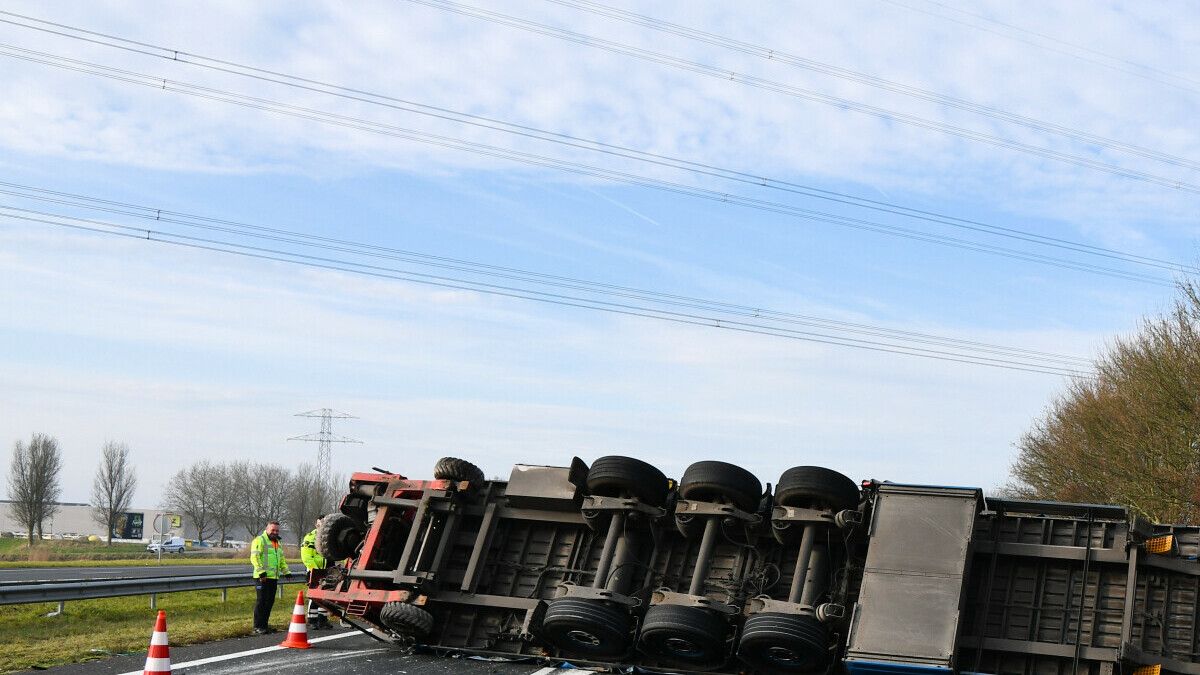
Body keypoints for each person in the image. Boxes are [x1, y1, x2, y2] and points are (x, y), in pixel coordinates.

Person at [250, 520, 290, 634]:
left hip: (273, 577)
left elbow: (281, 560)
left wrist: (286, 572)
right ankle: (257, 626)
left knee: (269, 602)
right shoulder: (260, 540)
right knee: (261, 602)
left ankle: (264, 626)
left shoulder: (277, 543)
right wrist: (261, 572)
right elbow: (255, 558)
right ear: (267, 529)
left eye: (277, 530)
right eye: (273, 530)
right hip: (262, 577)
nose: (275, 532)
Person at [301, 515, 331, 629]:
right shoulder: (310, 537)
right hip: (315, 570)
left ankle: (323, 620)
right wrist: (315, 570)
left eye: (323, 524)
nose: (321, 526)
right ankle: (312, 620)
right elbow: (306, 557)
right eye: (319, 524)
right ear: (316, 525)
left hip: (327, 570)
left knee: (326, 596)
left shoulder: (328, 536)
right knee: (314, 596)